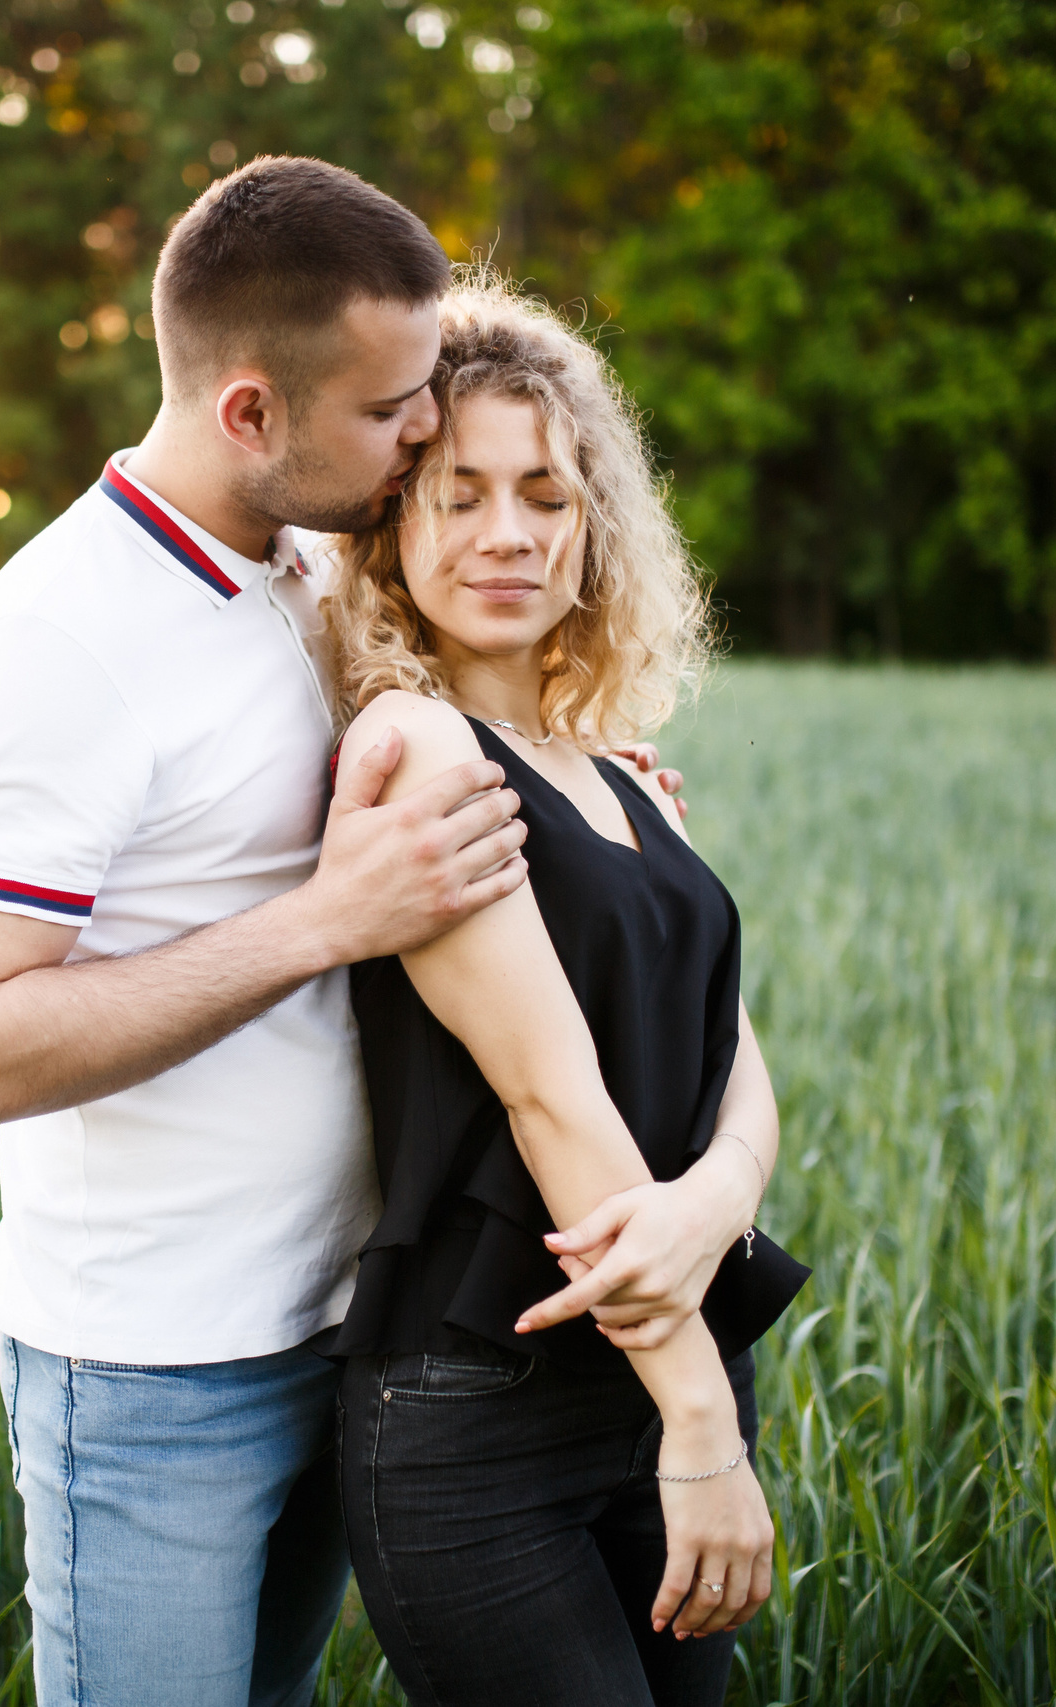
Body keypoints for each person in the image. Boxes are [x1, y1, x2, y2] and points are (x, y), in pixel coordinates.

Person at [0, 160, 756, 1707]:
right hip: (160, 1365)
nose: (424, 433)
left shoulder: (309, 567)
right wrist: (321, 922)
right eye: (391, 413)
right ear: (251, 413)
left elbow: (473, 731)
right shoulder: (55, 643)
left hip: (351, 1319)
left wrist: (603, 827)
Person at [318, 274, 812, 1707]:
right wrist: (705, 1425)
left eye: (545, 493)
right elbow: (552, 1097)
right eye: (459, 493)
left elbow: (735, 1066)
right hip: (484, 1414)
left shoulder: (619, 773)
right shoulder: (420, 747)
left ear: (592, 522)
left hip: (657, 1374)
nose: (509, 534)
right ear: (391, 525)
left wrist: (718, 1206)